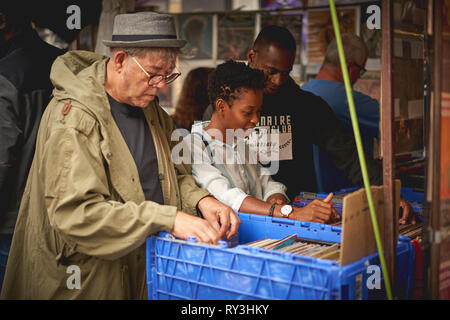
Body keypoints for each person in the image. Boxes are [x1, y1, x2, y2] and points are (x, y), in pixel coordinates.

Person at [0, 12, 240, 300]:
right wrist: (167, 218)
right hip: (87, 280)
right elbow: (76, 214)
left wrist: (201, 199)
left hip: (143, 272)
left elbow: (175, 172)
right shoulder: (74, 117)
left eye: (168, 74)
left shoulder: (151, 109)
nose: (162, 85)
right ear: (120, 60)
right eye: (153, 73)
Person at [203, 25, 383, 201]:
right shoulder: (223, 108)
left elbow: (348, 153)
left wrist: (383, 190)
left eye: (286, 73)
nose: (278, 80)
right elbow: (209, 170)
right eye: (271, 71)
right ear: (251, 56)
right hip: (241, 214)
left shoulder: (305, 105)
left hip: (296, 210)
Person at [188, 60, 338, 224]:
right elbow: (226, 197)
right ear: (221, 106)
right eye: (248, 112)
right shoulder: (194, 146)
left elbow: (266, 181)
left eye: (258, 111)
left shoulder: (240, 141)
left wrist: (276, 199)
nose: (255, 120)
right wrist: (288, 212)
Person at [0, 3, 63, 291]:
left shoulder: (6, 74)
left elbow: (2, 159)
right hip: (59, 215)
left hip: (11, 224)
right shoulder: (63, 64)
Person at [302, 34, 380, 194]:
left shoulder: (303, 92)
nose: (358, 76)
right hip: (345, 194)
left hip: (310, 196)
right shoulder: (349, 100)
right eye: (361, 70)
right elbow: (399, 124)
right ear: (350, 67)